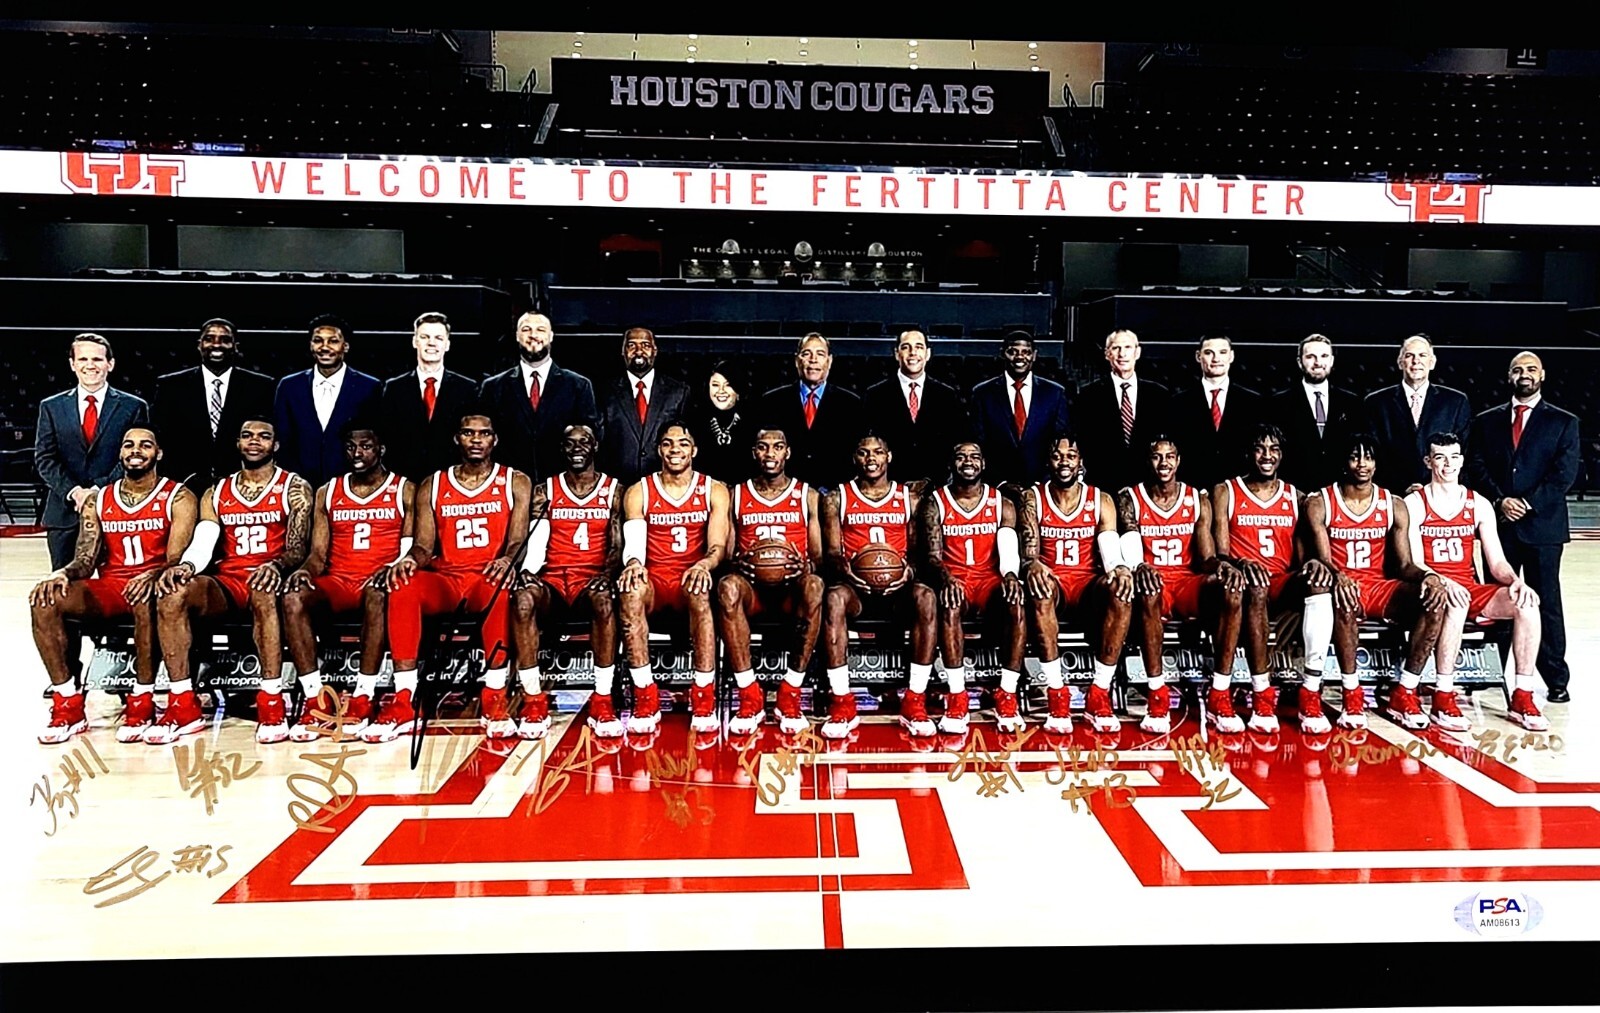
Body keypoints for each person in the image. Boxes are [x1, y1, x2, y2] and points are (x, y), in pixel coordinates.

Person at [152, 415, 314, 745]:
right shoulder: (217, 491)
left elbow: (297, 548)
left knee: (263, 589)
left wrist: (276, 565)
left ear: (276, 445)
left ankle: (271, 701)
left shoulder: (294, 487)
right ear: (237, 444)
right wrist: (186, 566)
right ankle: (183, 702)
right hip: (228, 582)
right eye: (247, 436)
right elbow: (205, 539)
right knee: (173, 594)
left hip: (270, 577)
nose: (255, 441)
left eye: (263, 436)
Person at [372, 414, 532, 742]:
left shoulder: (515, 481)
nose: (476, 440)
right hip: (448, 578)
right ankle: (404, 698)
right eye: (468, 433)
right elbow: (422, 546)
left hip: (486, 575)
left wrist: (508, 560)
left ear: (495, 440)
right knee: (402, 584)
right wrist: (407, 561)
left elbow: (518, 540)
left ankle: (495, 693)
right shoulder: (434, 484)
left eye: (484, 433)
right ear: (456, 438)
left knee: (498, 588)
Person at [30, 427, 196, 743]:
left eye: (146, 445)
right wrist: (62, 573)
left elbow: (176, 558)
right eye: (129, 445)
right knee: (45, 600)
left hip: (153, 585)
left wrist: (153, 575)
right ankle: (67, 703)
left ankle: (142, 699)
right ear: (120, 454)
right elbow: (85, 558)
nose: (136, 450)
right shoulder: (99, 499)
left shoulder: (178, 496)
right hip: (111, 587)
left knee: (148, 596)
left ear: (158, 454)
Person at [1302, 433, 1448, 732]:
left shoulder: (1392, 504)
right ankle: (1351, 693)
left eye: (1368, 457)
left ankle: (1405, 691)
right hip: (1342, 585)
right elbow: (1321, 559)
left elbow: (1405, 565)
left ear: (1376, 462)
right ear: (1345, 462)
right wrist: (1338, 577)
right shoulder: (1321, 501)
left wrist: (1430, 576)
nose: (1362, 464)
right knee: (1344, 595)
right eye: (1355, 457)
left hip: (1380, 587)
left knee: (1434, 601)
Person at [1408, 432, 1550, 731]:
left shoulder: (1479, 504)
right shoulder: (1415, 502)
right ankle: (1443, 694)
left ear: (1461, 460)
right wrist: (1443, 582)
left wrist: (1516, 582)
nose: (1448, 464)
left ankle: (1522, 695)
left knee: (1527, 604)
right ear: (1428, 461)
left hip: (1469, 587)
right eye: (1440, 457)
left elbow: (1496, 561)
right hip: (1432, 588)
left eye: (1454, 457)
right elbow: (1415, 562)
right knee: (1455, 603)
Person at [281, 422, 412, 742]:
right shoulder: (328, 491)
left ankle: (364, 695)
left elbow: (409, 548)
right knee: (292, 598)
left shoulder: (404, 489)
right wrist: (304, 572)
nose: (357, 453)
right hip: (338, 581)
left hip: (378, 581)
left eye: (366, 446)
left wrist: (393, 567)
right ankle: (314, 697)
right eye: (351, 447)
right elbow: (318, 555)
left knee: (377, 593)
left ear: (381, 449)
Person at [1468, 351, 1580, 703]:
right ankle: (1489, 672)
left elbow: (1564, 474)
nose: (1524, 374)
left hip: (1542, 528)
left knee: (1545, 601)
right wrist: (1501, 501)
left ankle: (1555, 678)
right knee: (1496, 599)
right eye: (1517, 369)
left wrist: (1527, 503)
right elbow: (1476, 465)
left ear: (1542, 375)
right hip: (1500, 526)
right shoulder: (1487, 421)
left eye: (1531, 368)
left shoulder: (1563, 422)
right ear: (1509, 377)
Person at [1118, 436, 1245, 736]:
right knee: (1148, 589)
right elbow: (1130, 547)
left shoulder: (1196, 499)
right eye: (1157, 457)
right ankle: (1157, 694)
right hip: (1152, 580)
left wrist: (1224, 567)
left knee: (1231, 589)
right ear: (1148, 461)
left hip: (1187, 581)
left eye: (1170, 457)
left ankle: (1220, 693)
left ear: (1179, 461)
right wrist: (1140, 567)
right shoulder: (1130, 498)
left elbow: (1206, 558)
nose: (1164, 463)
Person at [1210, 424, 1328, 734]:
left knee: (1319, 584)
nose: (1267, 456)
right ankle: (1262, 693)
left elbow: (1302, 559)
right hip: (1244, 581)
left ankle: (1310, 692)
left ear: (1282, 455)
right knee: (1256, 587)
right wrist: (1240, 561)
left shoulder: (1296, 496)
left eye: (1274, 449)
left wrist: (1315, 566)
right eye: (1260, 449)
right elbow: (1220, 553)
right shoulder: (1226, 491)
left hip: (1280, 581)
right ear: (1249, 453)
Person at [616, 423, 732, 736]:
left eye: (683, 443)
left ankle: (703, 695)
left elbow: (718, 546)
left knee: (699, 589)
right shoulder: (640, 490)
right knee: (630, 591)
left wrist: (704, 565)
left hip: (690, 578)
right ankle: (645, 696)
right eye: (668, 444)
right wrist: (634, 564)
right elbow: (635, 544)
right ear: (659, 451)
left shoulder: (714, 489)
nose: (675, 450)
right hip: (656, 581)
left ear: (694, 450)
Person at [819, 434, 937, 738]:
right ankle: (843, 703)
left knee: (926, 597)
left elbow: (916, 555)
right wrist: (846, 571)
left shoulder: (907, 498)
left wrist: (907, 573)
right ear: (854, 458)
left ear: (889, 457)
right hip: (855, 588)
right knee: (832, 598)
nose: (871, 458)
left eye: (878, 452)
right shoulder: (837, 497)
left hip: (897, 590)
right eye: (863, 452)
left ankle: (915, 700)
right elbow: (831, 553)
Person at [513, 425, 622, 739]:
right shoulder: (545, 489)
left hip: (590, 579)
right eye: (570, 443)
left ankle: (602, 699)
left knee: (604, 600)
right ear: (562, 448)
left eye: (584, 442)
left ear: (595, 447)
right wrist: (529, 571)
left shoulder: (613, 489)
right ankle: (533, 700)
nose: (577, 448)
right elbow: (535, 541)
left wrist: (606, 575)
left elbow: (616, 546)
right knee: (522, 598)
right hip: (553, 579)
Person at [1021, 436, 1134, 735]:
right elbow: (1030, 553)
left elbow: (1109, 549)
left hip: (1087, 584)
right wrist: (1032, 563)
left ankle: (1099, 693)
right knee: (1040, 588)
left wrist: (1119, 568)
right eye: (1057, 456)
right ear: (1048, 462)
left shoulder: (1101, 499)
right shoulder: (1033, 498)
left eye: (1071, 455)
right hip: (1054, 581)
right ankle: (1057, 694)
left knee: (1121, 591)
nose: (1064, 462)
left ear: (1081, 462)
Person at [717, 427, 825, 735]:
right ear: (754, 453)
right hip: (754, 591)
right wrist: (745, 563)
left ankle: (790, 693)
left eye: (777, 447)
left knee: (816, 585)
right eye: (763, 447)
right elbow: (727, 556)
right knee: (727, 587)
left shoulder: (808, 495)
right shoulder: (736, 494)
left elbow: (819, 558)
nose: (770, 454)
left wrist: (803, 568)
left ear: (787, 453)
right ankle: (749, 693)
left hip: (792, 591)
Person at [920, 442, 1026, 734]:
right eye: (961, 456)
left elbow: (1008, 551)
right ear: (951, 464)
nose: (968, 462)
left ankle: (1007, 693)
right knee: (949, 602)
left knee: (1017, 601)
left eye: (975, 457)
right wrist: (945, 578)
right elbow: (931, 555)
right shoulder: (936, 501)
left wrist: (1011, 577)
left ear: (984, 463)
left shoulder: (1001, 503)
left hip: (988, 579)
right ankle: (957, 696)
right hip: (956, 579)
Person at [36, 333, 150, 569]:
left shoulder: (133, 407)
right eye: (83, 359)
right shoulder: (51, 407)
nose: (90, 365)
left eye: (97, 359)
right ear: (72, 364)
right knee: (65, 592)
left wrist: (99, 490)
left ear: (110, 364)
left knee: (117, 589)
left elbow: (136, 457)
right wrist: (75, 492)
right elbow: (45, 458)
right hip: (65, 513)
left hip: (118, 511)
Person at [150, 318, 276, 493]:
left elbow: (267, 439)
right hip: (183, 485)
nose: (216, 345)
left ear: (236, 345)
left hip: (244, 485)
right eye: (209, 339)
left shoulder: (261, 387)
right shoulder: (171, 386)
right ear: (199, 344)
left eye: (225, 340)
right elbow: (161, 437)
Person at [478, 311, 599, 483]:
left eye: (540, 330)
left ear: (551, 336)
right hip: (508, 485)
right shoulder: (493, 387)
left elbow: (588, 441)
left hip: (562, 486)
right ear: (517, 336)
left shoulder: (578, 385)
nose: (533, 335)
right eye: (526, 329)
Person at [272, 314, 382, 490]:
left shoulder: (369, 387)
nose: (324, 347)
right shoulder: (289, 386)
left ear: (345, 346)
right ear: (310, 345)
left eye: (333, 341)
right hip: (298, 489)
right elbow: (283, 440)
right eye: (318, 341)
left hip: (351, 489)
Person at [376, 311, 481, 482]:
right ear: (414, 341)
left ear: (447, 344)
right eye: (425, 337)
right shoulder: (394, 388)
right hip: (405, 483)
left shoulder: (468, 388)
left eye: (438, 338)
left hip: (453, 483)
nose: (431, 343)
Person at [1364, 335, 1473, 493]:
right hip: (1391, 494)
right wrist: (1402, 487)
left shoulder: (1456, 402)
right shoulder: (1375, 403)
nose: (1416, 361)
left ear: (1432, 362)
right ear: (1400, 362)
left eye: (1422, 355)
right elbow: (1373, 454)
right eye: (1409, 355)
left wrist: (1431, 488)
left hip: (1441, 495)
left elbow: (1464, 454)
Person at [860, 330, 968, 484]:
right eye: (906, 347)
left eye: (918, 347)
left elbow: (955, 442)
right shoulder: (875, 395)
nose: (913, 353)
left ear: (928, 354)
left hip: (935, 485)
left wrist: (930, 480)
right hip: (890, 485)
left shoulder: (947, 395)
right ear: (897, 354)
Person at [756, 332, 862, 490]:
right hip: (786, 494)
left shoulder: (851, 404)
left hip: (834, 494)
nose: (813, 360)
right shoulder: (771, 402)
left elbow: (855, 455)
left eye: (820, 354)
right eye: (807, 354)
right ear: (797, 361)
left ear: (829, 361)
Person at [969, 330, 1071, 488]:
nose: (1019, 357)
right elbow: (978, 444)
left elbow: (1060, 442)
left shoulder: (1054, 393)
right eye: (1012, 352)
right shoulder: (982, 393)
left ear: (1034, 355)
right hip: (996, 487)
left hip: (1043, 487)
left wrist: (1043, 482)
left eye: (1026, 352)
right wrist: (1000, 482)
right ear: (1002, 354)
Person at [1076, 329, 1170, 495]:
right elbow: (1086, 444)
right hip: (1104, 487)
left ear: (1137, 352)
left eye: (1127, 347)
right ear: (1107, 354)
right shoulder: (1089, 395)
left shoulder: (1159, 395)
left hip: (1149, 487)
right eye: (1116, 348)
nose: (1122, 354)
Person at [598, 327, 691, 487]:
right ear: (623, 351)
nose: (639, 351)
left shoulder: (678, 391)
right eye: (632, 345)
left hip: (665, 487)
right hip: (617, 486)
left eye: (645, 345)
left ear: (655, 351)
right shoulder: (604, 392)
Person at [1171, 333, 1263, 493]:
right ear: (1198, 356)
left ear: (1231, 356)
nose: (1216, 359)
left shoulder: (1253, 402)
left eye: (1222, 352)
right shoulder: (1178, 402)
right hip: (1193, 491)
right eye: (1209, 353)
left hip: (1241, 492)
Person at [1270, 334, 1361, 494]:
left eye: (1324, 356)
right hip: (1294, 493)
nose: (1318, 362)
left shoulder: (1351, 402)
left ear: (1332, 360)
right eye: (1311, 357)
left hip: (1341, 495)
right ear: (1300, 362)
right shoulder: (1279, 403)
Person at [687, 360, 756, 484]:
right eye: (715, 385)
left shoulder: (753, 420)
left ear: (738, 389)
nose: (721, 391)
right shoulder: (694, 420)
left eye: (728, 385)